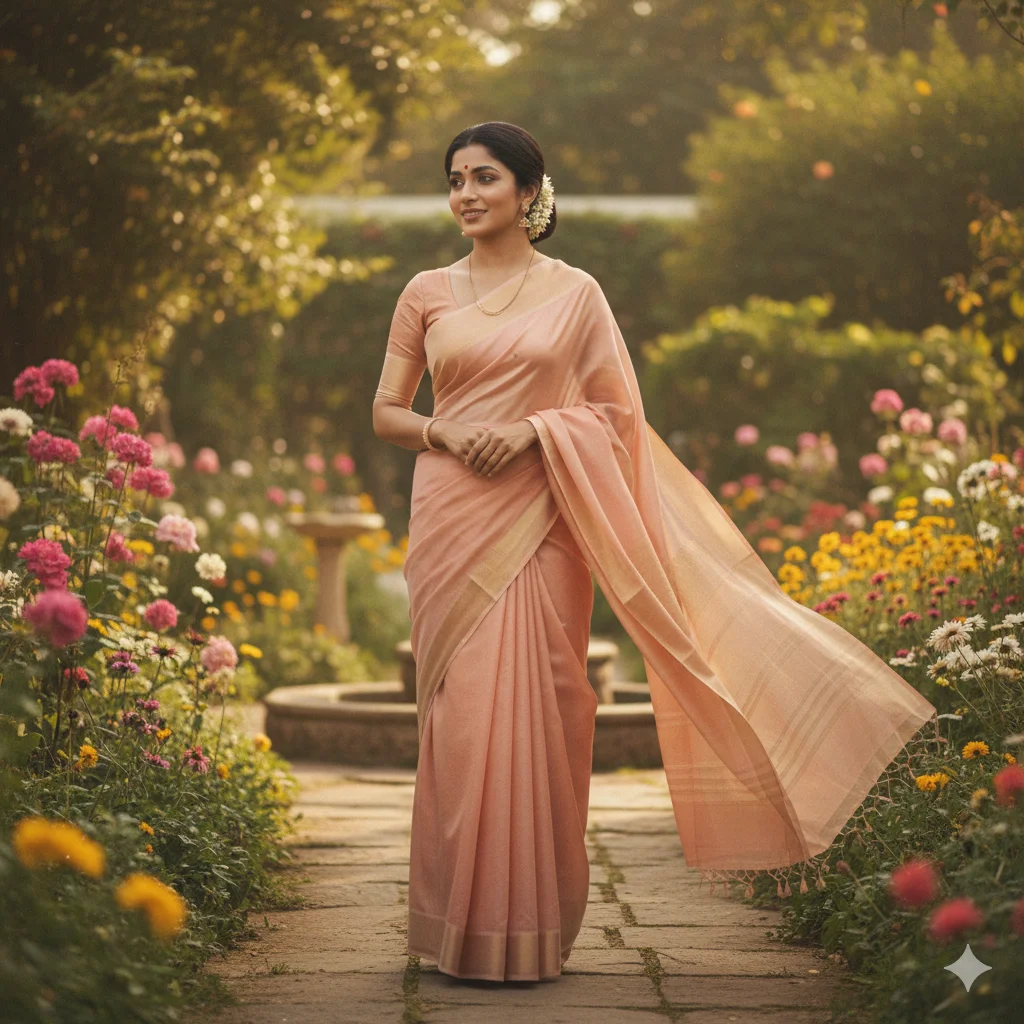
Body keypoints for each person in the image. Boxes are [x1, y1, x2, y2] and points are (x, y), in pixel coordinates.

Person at [372, 121, 937, 983]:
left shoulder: (577, 294)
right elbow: (387, 412)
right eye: (455, 180)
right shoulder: (425, 291)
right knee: (463, 719)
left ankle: (526, 931)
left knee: (551, 709)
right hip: (454, 517)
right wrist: (446, 430)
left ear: (530, 192)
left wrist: (532, 433)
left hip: (546, 515)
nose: (466, 195)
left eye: (485, 178)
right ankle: (459, 926)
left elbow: (616, 416)